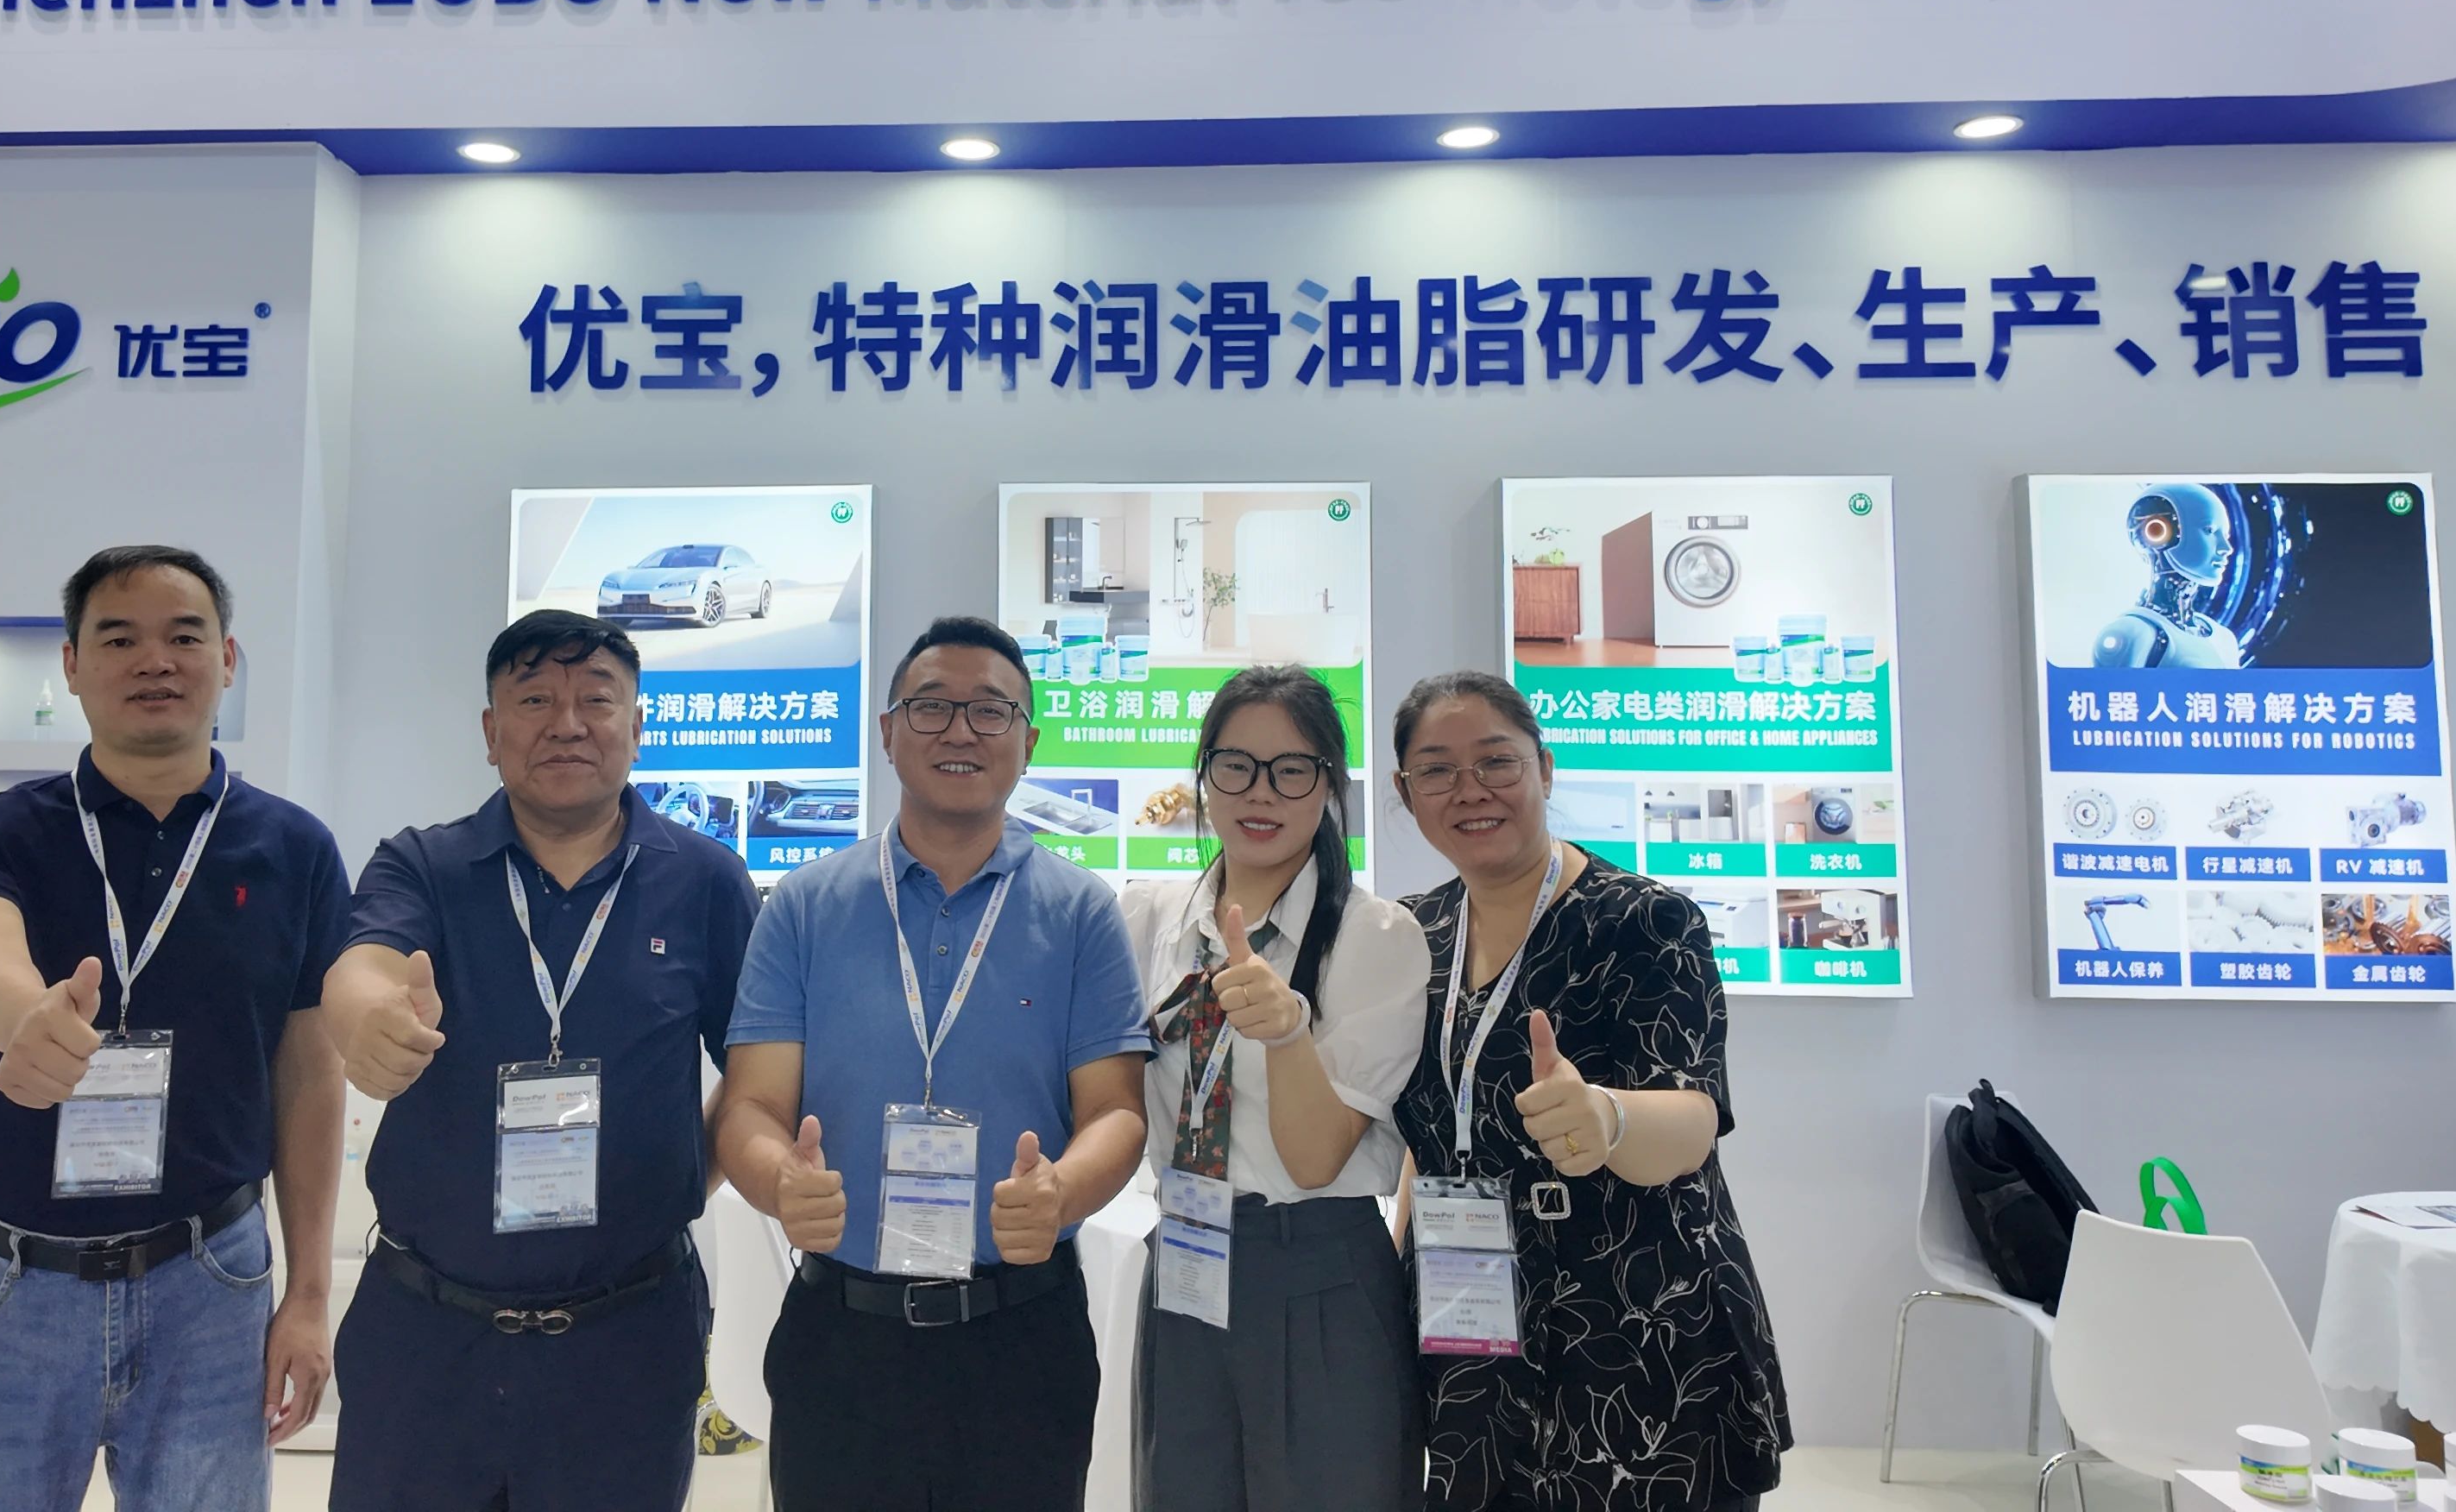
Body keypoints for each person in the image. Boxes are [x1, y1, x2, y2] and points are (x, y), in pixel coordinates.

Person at [0, 545, 349, 1512]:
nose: (155, 660)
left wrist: (310, 1295)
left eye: (184, 636)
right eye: (118, 639)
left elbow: (309, 1074)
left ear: (226, 659)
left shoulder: (295, 849)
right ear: (71, 665)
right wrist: (24, 1018)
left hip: (212, 1283)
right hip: (8, 1285)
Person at [318, 610, 758, 1512]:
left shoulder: (706, 881)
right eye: (533, 701)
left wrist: (679, 1180)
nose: (567, 724)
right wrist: (368, 1019)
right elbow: (362, 968)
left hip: (627, 1337)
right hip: (425, 1332)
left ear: (637, 726)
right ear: (491, 732)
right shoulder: (423, 865)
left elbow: (759, 1075)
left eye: (597, 700)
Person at [717, 615, 1153, 1512]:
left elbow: (1116, 1110)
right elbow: (751, 1105)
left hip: (1020, 1336)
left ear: (1029, 743)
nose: (961, 731)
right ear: (887, 732)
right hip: (843, 1336)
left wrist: (1061, 1193)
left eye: (991, 711)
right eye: (930, 707)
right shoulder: (803, 906)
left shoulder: (1081, 912)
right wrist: (777, 1181)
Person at [1385, 671, 1790, 1512]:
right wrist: (1396, 1270)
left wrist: (1606, 1116)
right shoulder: (1414, 934)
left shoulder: (1645, 921)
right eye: (1438, 770)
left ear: (1543, 767)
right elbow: (1436, 1135)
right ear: (1405, 790)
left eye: (1496, 761)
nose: (1470, 790)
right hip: (1473, 1329)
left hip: (1637, 1329)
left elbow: (1693, 1120)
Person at [1118, 665, 1431, 1512]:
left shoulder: (1376, 937)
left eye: (1292, 770)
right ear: (1204, 775)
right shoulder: (1147, 920)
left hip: (1317, 1273)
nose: (1261, 792)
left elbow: (1316, 1158)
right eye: (1236, 765)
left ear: (1329, 784)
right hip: (1185, 1259)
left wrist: (1289, 1034)